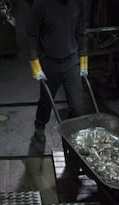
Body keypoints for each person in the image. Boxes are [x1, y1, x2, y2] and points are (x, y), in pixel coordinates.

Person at [27, 0, 88, 143]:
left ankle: (73, 135)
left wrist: (83, 60)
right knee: (46, 101)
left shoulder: (79, 3)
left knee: (77, 107)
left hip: (71, 61)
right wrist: (35, 64)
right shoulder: (41, 4)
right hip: (50, 62)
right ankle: (39, 127)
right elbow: (32, 36)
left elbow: (80, 32)